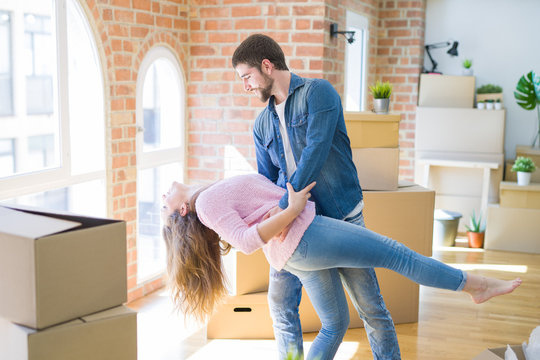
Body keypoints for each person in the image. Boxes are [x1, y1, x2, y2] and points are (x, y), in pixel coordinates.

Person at [161, 174, 521, 360]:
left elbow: (253, 214)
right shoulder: (205, 203)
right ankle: (477, 285)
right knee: (398, 255)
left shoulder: (208, 194)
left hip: (295, 249)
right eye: (164, 206)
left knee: (333, 323)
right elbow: (245, 241)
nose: (163, 197)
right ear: (181, 212)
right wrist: (289, 210)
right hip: (304, 238)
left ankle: (476, 286)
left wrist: (280, 207)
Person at [231, 34, 400, 359]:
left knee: (371, 310)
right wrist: (274, 218)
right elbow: (267, 182)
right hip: (294, 231)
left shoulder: (318, 93)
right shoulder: (261, 124)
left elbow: (316, 152)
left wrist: (281, 210)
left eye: (247, 77)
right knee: (280, 305)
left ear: (267, 66)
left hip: (341, 218)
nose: (246, 87)